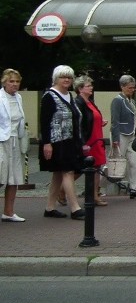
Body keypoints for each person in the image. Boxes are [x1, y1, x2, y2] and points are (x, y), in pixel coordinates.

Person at [40, 65, 86, 220]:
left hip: (70, 141)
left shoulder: (69, 96)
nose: (66, 80)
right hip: (57, 141)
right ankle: (75, 207)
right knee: (68, 172)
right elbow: (44, 121)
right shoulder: (49, 96)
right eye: (63, 77)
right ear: (55, 78)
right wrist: (47, 143)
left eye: (69, 77)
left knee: (58, 175)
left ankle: (50, 207)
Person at [73, 75, 108, 206]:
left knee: (97, 166)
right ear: (80, 89)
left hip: (97, 137)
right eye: (88, 86)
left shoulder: (90, 101)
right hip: (89, 139)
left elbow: (93, 117)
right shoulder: (78, 103)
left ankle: (94, 195)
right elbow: (79, 123)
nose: (91, 87)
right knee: (82, 168)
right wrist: (82, 142)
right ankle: (62, 189)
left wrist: (101, 121)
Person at [1, 69, 29, 222]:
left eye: (17, 81)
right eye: (11, 81)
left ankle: (9, 212)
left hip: (15, 141)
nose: (15, 84)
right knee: (1, 176)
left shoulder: (18, 98)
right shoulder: (0, 97)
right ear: (4, 82)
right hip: (1, 141)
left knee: (13, 178)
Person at [110, 74, 136, 196]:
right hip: (121, 134)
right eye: (129, 88)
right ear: (122, 87)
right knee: (116, 163)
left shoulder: (131, 101)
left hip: (131, 135)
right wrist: (115, 139)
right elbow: (115, 121)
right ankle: (98, 186)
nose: (132, 90)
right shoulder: (117, 101)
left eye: (133, 88)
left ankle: (135, 189)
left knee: (135, 163)